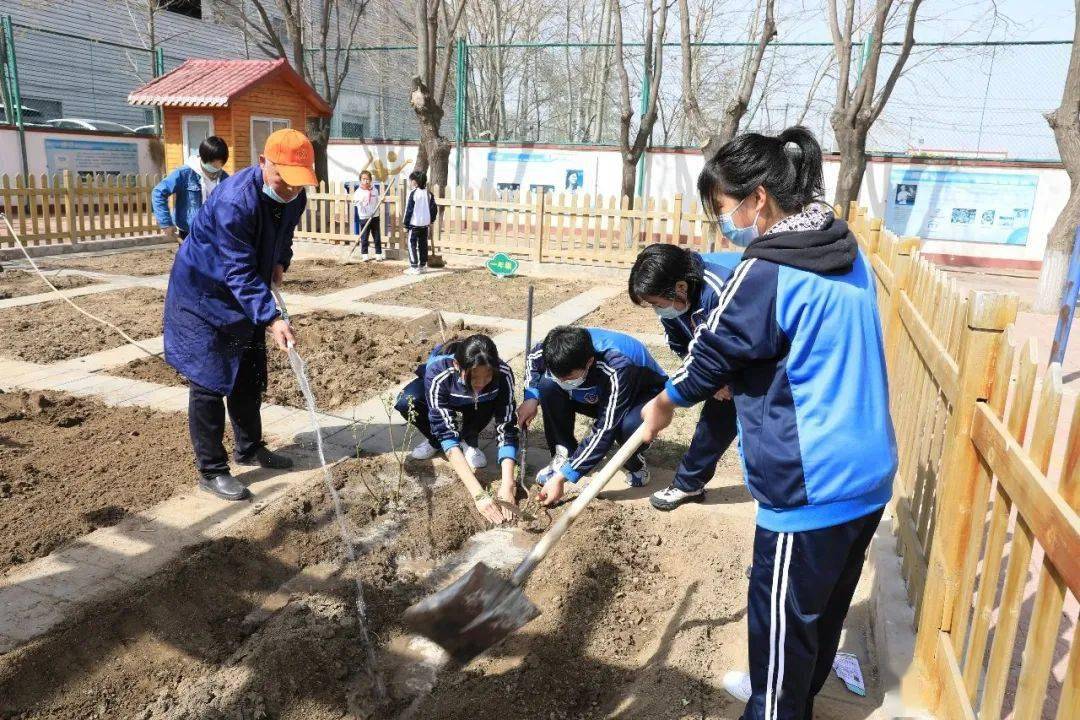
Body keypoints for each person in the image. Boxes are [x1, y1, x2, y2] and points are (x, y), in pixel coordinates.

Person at [638, 126, 896, 720]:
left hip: (812, 485)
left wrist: (667, 402)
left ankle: (774, 703)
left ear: (758, 199)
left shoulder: (769, 269)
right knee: (819, 615)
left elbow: (711, 354)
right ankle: (788, 696)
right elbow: (799, 347)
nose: (722, 224)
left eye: (723, 209)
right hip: (868, 472)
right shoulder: (840, 247)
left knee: (780, 625)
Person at [163, 128, 318, 501]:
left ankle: (249, 448)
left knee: (248, 375)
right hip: (203, 295)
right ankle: (212, 469)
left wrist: (281, 259)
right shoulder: (236, 201)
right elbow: (237, 271)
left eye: (299, 182)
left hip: (242, 296)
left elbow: (284, 235)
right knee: (210, 381)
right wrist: (272, 317)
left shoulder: (294, 195)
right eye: (284, 179)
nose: (291, 189)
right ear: (264, 163)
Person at [627, 244, 741, 511]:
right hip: (722, 364)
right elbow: (681, 344)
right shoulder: (674, 304)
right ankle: (689, 484)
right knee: (715, 421)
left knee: (762, 432)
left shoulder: (720, 291)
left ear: (680, 287)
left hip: (762, 362)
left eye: (657, 303)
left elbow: (736, 347)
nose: (657, 310)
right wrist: (713, 383)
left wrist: (713, 378)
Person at [517, 326, 667, 506]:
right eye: (560, 376)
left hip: (639, 394)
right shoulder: (550, 348)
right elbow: (532, 362)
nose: (563, 381)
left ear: (589, 362)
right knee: (548, 385)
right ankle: (564, 453)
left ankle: (634, 461)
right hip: (596, 390)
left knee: (626, 426)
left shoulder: (618, 364)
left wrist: (563, 478)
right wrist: (532, 397)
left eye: (569, 377)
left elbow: (605, 428)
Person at [394, 334, 519, 525]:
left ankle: (469, 440)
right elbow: (446, 431)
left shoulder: (503, 373)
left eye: (488, 376)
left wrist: (508, 483)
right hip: (449, 396)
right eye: (474, 377)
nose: (481, 383)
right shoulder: (438, 373)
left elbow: (506, 427)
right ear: (457, 366)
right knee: (407, 401)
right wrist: (478, 495)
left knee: (484, 399)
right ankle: (434, 442)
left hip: (480, 405)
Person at [152, 136, 230, 242]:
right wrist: (166, 223)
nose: (215, 170)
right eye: (213, 165)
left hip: (214, 233)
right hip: (189, 234)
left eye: (219, 166)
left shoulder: (224, 177)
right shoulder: (185, 174)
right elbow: (158, 192)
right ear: (204, 158)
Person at [403, 170, 438, 274]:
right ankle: (422, 266)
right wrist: (431, 220)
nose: (410, 183)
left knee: (411, 244)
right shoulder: (429, 194)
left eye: (411, 181)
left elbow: (408, 210)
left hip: (414, 225)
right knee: (423, 245)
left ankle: (414, 267)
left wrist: (405, 224)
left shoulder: (413, 193)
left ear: (415, 182)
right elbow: (434, 209)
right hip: (425, 225)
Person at [351, 170, 384, 261]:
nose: (366, 181)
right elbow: (354, 202)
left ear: (370, 180)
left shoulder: (374, 190)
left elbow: (377, 200)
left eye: (368, 179)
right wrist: (360, 201)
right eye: (364, 179)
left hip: (374, 216)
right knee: (364, 236)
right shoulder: (358, 192)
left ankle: (378, 253)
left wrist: (381, 199)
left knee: (377, 236)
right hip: (364, 217)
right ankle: (364, 254)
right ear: (360, 180)